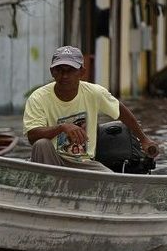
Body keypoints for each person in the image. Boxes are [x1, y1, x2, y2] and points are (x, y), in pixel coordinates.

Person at [24, 45, 159, 171]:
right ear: (52, 72)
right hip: (51, 162)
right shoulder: (38, 98)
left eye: (70, 70)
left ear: (81, 72)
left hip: (84, 163)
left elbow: (122, 112)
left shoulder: (94, 93)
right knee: (41, 144)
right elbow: (32, 136)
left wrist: (144, 139)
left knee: (115, 182)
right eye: (59, 70)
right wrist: (62, 128)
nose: (64, 76)